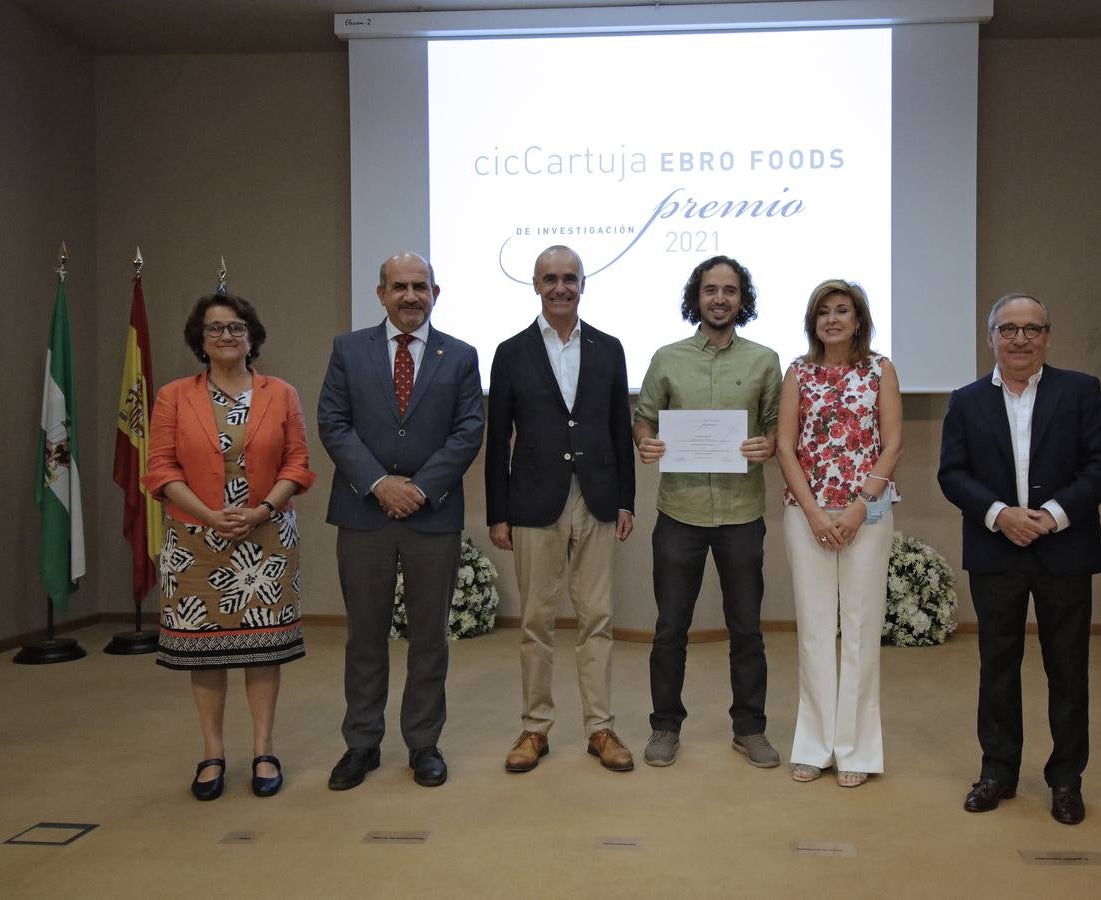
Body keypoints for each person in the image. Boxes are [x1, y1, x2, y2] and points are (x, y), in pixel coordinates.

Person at [937, 292, 1101, 826]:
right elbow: (952, 473)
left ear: (1047, 336)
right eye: (1009, 329)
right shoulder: (966, 399)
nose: (1020, 339)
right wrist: (999, 515)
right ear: (990, 337)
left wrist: (1053, 514)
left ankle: (1066, 780)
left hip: (1066, 548)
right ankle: (997, 772)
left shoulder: (1081, 391)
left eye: (1032, 329)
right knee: (997, 666)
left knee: (1067, 669)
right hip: (996, 551)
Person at [317, 251, 484, 791]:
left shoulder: (459, 355)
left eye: (420, 286)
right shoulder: (348, 349)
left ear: (436, 293)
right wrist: (378, 483)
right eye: (399, 286)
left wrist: (419, 488)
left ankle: (423, 743)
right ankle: (361, 744)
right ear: (380, 292)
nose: (410, 296)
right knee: (364, 636)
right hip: (363, 512)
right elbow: (333, 422)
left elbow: (467, 431)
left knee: (429, 637)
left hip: (431, 515)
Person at [144, 293, 315, 801]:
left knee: (262, 648)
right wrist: (209, 516)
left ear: (251, 336)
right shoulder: (175, 396)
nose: (225, 336)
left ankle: (264, 750)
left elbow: (298, 464)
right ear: (200, 339)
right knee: (206, 654)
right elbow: (160, 469)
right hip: (195, 540)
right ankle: (212, 753)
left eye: (235, 327)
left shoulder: (281, 393)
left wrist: (261, 511)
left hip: (267, 536)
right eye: (215, 328)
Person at [486, 245, 636, 774]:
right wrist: (497, 512)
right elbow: (497, 436)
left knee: (598, 617)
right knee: (535, 620)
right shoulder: (510, 352)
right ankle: (534, 728)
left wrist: (626, 499)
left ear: (583, 284)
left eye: (569, 278)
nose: (560, 287)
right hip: (533, 500)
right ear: (535, 285)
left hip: (596, 497)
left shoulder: (609, 348)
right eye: (549, 278)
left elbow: (621, 427)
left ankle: (600, 728)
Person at [633, 255, 783, 769]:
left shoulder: (765, 360)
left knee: (746, 629)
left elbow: (775, 425)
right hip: (680, 512)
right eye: (710, 289)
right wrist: (647, 443)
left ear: (744, 299)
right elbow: (644, 419)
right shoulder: (668, 357)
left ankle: (750, 728)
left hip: (742, 514)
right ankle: (665, 727)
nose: (720, 298)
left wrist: (768, 444)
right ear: (696, 297)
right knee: (670, 627)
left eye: (731, 290)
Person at [775, 279, 901, 788]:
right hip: (807, 516)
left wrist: (856, 509)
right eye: (823, 311)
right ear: (814, 322)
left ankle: (855, 750)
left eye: (841, 310)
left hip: (865, 516)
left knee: (861, 629)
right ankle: (814, 745)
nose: (832, 319)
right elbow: (786, 448)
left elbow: (891, 445)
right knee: (814, 632)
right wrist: (814, 513)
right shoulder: (798, 372)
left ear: (858, 320)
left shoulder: (879, 369)